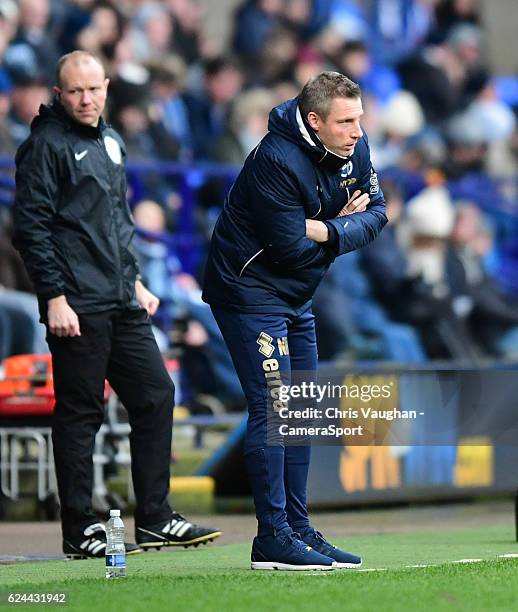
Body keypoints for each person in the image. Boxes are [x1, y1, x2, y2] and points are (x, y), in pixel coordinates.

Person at [12, 50, 221, 559]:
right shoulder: (44, 146)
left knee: (155, 394)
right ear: (58, 94)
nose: (86, 99)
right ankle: (80, 527)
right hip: (77, 304)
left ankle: (155, 518)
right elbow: (31, 230)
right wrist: (54, 297)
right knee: (81, 414)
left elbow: (116, 221)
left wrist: (136, 281)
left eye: (94, 89)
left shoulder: (111, 140)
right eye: (75, 91)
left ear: (106, 87)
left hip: (120, 298)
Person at [202, 71, 387, 570]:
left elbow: (380, 215)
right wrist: (342, 223)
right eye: (346, 121)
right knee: (275, 407)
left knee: (300, 409)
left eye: (359, 120)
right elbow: (286, 245)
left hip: (298, 294)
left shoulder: (355, 148)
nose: (357, 131)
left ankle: (300, 530)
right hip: (249, 291)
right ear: (314, 120)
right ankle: (272, 536)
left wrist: (323, 229)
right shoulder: (274, 160)